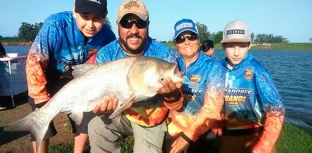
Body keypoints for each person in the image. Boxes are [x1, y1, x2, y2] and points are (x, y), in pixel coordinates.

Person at [87, 0, 184, 152]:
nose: (133, 30)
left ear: (148, 25)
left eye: (140, 23)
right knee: (96, 126)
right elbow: (98, 99)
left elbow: (176, 103)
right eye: (126, 23)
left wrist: (171, 95)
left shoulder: (164, 55)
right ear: (118, 24)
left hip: (150, 119)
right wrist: (103, 108)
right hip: (120, 113)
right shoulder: (106, 53)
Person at [25, 0, 116, 152]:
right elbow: (34, 61)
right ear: (74, 11)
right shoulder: (55, 25)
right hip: (47, 77)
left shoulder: (107, 36)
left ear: (105, 16)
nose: (90, 24)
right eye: (85, 16)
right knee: (40, 119)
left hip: (81, 81)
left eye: (97, 18)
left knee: (85, 118)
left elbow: (112, 65)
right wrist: (40, 100)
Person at [218, 19, 285, 153]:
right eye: (231, 46)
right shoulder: (217, 68)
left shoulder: (257, 70)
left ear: (250, 45)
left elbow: (277, 109)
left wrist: (264, 145)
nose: (236, 52)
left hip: (256, 134)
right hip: (228, 135)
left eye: (242, 46)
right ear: (223, 46)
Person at [163, 19, 226, 153]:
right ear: (176, 44)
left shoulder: (214, 67)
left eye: (191, 36)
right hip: (174, 131)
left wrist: (187, 136)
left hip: (205, 132)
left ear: (198, 39)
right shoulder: (170, 65)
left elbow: (212, 108)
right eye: (181, 38)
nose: (186, 41)